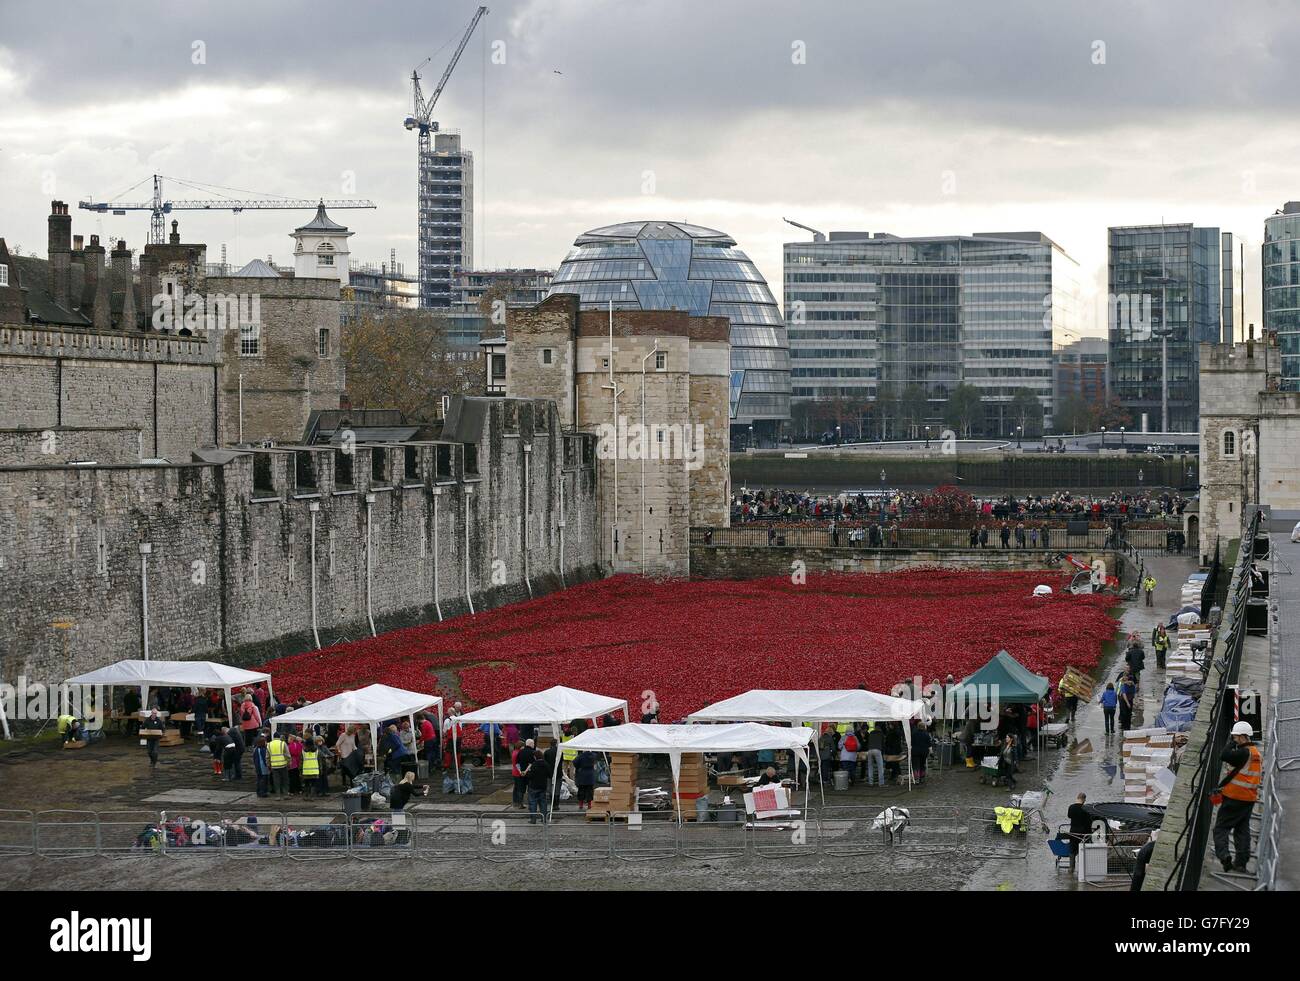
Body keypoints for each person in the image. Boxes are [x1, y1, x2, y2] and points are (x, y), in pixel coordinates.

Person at [1213, 721, 1261, 873]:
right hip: (1249, 799)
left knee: (1221, 828)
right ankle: (1241, 863)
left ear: (1241, 737)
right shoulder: (1255, 753)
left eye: (1235, 737)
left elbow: (1224, 755)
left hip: (1234, 797)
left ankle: (1224, 855)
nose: (1234, 740)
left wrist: (1228, 741)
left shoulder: (1243, 753)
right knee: (1242, 830)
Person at [1065, 792, 1093, 869]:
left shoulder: (1071, 807)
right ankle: (1082, 869)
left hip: (1073, 832)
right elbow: (1089, 822)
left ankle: (1071, 869)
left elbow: (1069, 816)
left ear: (1077, 798)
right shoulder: (1086, 808)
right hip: (1083, 833)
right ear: (1084, 799)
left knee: (1072, 851)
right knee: (1083, 851)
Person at [523, 749, 551, 824]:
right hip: (543, 786)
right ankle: (544, 818)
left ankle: (533, 819)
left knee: (533, 803)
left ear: (535, 757)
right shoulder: (546, 764)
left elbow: (530, 776)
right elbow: (549, 774)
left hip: (534, 786)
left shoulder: (534, 765)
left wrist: (527, 773)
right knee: (543, 803)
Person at [513, 739, 535, 809]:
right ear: (531, 744)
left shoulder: (520, 752)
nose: (534, 745)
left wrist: (521, 771)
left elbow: (517, 763)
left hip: (521, 774)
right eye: (533, 743)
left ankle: (520, 804)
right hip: (529, 773)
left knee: (521, 789)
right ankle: (530, 804)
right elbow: (532, 763)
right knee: (530, 788)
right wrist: (526, 771)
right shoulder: (532, 752)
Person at [267, 731, 290, 798]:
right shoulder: (283, 743)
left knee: (276, 781)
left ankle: (278, 795)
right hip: (283, 765)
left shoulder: (269, 744)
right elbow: (287, 754)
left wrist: (268, 765)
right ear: (279, 737)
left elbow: (267, 756)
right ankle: (285, 794)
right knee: (285, 780)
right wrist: (288, 762)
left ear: (273, 737)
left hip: (274, 766)